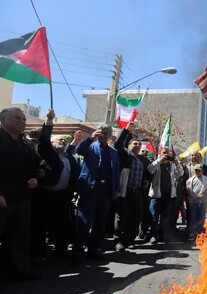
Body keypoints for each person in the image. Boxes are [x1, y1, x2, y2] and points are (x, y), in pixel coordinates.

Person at [34, 109, 80, 259]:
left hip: (62, 197)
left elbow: (74, 177)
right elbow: (44, 141)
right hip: (45, 196)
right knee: (40, 226)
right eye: (59, 139)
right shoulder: (49, 154)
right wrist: (49, 122)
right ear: (52, 143)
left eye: (64, 140)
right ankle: (39, 254)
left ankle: (61, 251)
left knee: (61, 225)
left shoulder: (69, 158)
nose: (63, 141)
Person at [71, 124, 121, 266]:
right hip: (89, 189)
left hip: (105, 191)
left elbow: (116, 171)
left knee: (100, 221)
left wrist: (116, 188)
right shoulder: (90, 146)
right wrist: (89, 138)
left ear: (110, 135)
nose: (104, 134)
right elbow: (79, 150)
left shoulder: (113, 151)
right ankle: (78, 252)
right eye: (102, 131)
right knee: (84, 221)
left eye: (107, 132)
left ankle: (93, 249)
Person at [0, 108, 39, 281]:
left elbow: (34, 165)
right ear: (2, 120)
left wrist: (35, 177)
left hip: (22, 198)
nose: (22, 121)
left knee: (20, 236)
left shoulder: (25, 143)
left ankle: (20, 270)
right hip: (3, 198)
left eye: (23, 119)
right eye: (17, 118)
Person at [113, 123, 146, 251]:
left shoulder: (140, 160)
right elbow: (117, 144)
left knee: (137, 215)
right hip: (124, 191)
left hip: (137, 192)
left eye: (139, 144)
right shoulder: (125, 156)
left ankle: (129, 239)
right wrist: (126, 130)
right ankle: (119, 240)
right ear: (129, 146)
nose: (137, 146)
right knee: (122, 216)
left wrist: (145, 182)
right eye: (134, 144)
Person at [148, 147, 184, 243]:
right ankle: (153, 235)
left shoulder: (172, 165)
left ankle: (162, 235)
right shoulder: (157, 163)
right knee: (154, 216)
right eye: (164, 153)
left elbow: (180, 173)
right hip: (156, 195)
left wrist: (177, 163)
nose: (166, 155)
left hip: (168, 196)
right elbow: (150, 169)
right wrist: (159, 160)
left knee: (165, 217)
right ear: (160, 153)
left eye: (168, 153)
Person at [185, 163, 207, 240]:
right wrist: (195, 196)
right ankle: (192, 232)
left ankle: (200, 232)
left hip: (202, 201)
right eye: (196, 170)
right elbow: (188, 190)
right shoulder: (190, 180)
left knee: (201, 217)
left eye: (199, 170)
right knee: (192, 217)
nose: (197, 171)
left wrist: (203, 195)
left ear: (202, 170)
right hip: (193, 201)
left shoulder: (206, 179)